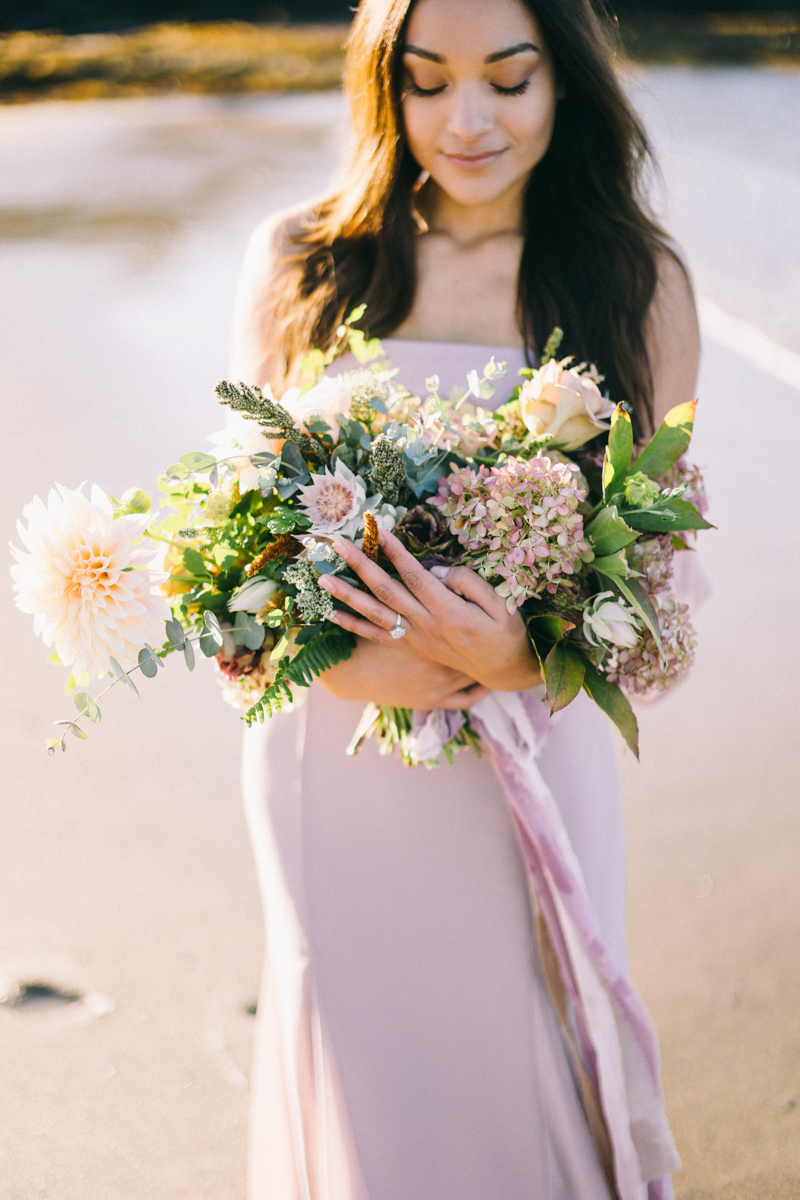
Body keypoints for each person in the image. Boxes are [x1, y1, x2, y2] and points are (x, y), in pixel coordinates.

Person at [230, 0, 700, 1196]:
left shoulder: (627, 280)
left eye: (507, 78)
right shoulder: (301, 259)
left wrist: (514, 664)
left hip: (531, 750)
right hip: (330, 764)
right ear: (384, 87)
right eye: (427, 82)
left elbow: (658, 590)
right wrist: (345, 668)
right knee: (370, 1079)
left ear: (563, 83)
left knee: (524, 1054)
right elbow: (230, 564)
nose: (466, 119)